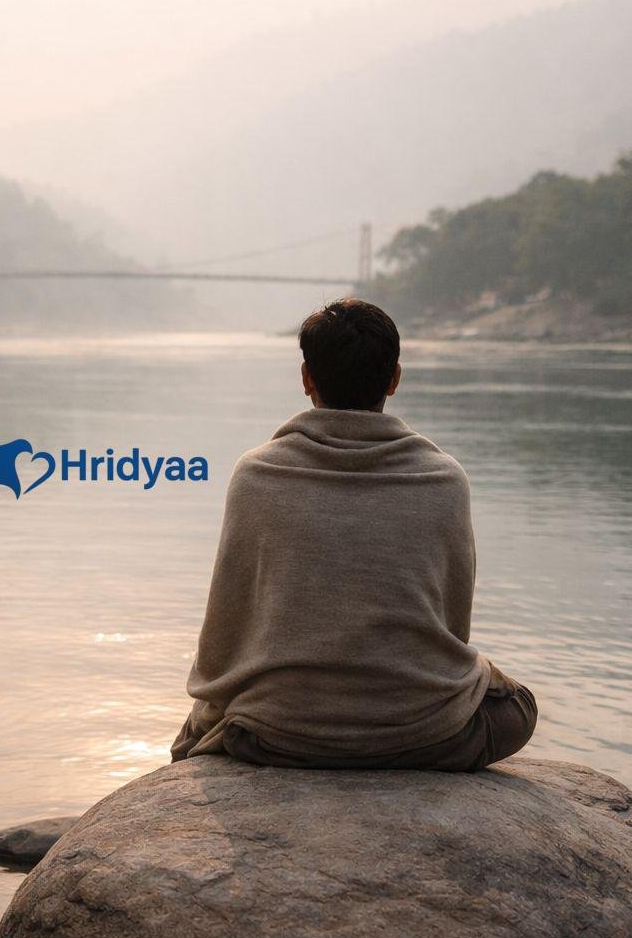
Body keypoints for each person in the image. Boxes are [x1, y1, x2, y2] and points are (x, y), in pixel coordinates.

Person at [170, 298, 536, 772]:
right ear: (394, 378)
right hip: (422, 737)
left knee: (197, 726)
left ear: (307, 378)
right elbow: (451, 625)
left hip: (275, 734)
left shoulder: (255, 474)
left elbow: (226, 628)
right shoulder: (445, 479)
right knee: (519, 706)